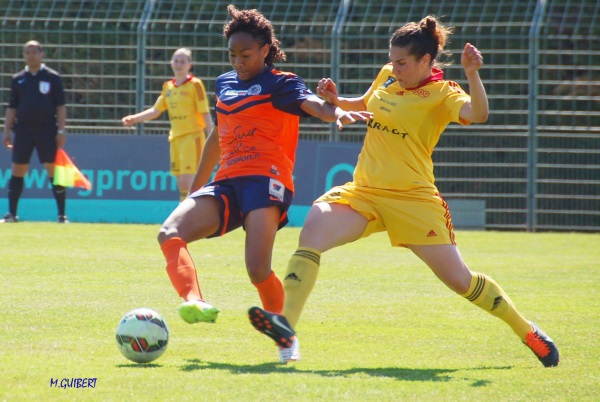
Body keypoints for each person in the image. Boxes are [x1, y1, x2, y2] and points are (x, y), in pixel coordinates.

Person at [248, 16, 560, 367]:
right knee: (313, 231)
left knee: (460, 281)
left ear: (426, 61)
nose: (394, 68)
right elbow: (365, 103)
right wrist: (337, 100)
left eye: (402, 63)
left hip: (413, 200)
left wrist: (473, 73)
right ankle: (287, 330)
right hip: (364, 192)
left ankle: (525, 330)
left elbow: (480, 113)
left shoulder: (445, 93)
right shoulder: (388, 74)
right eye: (392, 60)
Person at [156, 4, 371, 363]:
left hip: (265, 179)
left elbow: (314, 104)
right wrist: (196, 188)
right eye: (233, 54)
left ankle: (285, 337)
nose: (238, 61)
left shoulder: (281, 83)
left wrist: (338, 111)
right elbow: (217, 138)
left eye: (246, 54)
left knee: (257, 268)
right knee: (169, 232)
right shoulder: (224, 83)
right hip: (227, 181)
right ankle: (193, 300)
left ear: (265, 51)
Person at [122, 48, 214, 201]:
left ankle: (194, 215)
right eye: (176, 61)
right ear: (171, 63)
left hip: (193, 138)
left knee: (189, 182)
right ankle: (185, 215)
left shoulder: (195, 85)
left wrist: (212, 138)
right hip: (175, 139)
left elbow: (205, 113)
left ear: (189, 65)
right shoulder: (168, 87)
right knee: (181, 184)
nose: (179, 64)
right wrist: (134, 118)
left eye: (182, 61)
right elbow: (155, 110)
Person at [1, 40, 68, 224]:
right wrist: (6, 131)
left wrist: (61, 130)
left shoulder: (52, 77)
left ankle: (62, 215)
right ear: (24, 56)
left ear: (41, 54)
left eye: (34, 52)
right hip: (23, 130)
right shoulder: (18, 79)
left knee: (52, 170)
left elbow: (60, 106)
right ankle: (11, 214)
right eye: (27, 52)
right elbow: (12, 107)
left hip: (47, 130)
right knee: (18, 168)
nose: (31, 55)